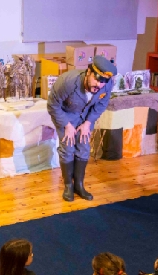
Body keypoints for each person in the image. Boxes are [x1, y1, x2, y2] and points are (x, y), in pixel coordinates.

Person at [47, 56, 117, 202]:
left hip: (85, 116)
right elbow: (52, 105)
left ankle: (79, 185)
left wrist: (88, 123)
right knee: (68, 147)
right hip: (66, 114)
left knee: (84, 147)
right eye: (97, 79)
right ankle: (68, 186)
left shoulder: (106, 85)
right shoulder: (68, 82)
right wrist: (67, 125)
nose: (99, 84)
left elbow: (101, 105)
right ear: (88, 72)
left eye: (103, 82)